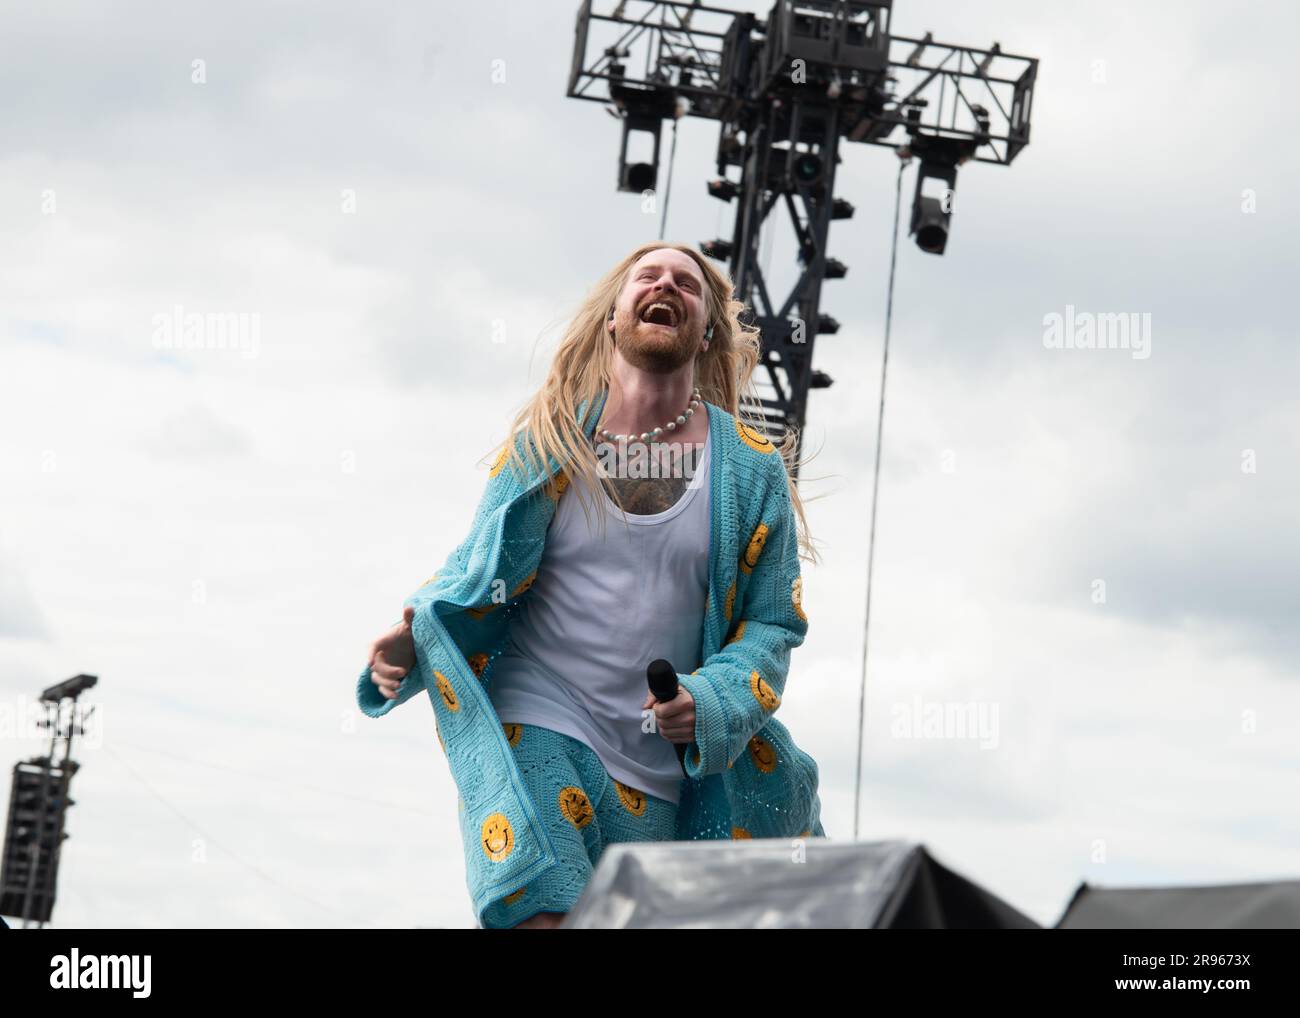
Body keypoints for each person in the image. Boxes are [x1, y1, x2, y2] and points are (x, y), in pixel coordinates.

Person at [358, 241, 825, 929]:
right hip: (539, 711)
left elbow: (771, 626)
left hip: (660, 767)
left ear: (706, 331)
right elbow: (475, 568)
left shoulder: (752, 474)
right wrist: (413, 635)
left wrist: (711, 701)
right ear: (614, 317)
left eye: (687, 285)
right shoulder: (547, 442)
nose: (666, 285)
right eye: (649, 276)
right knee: (541, 904)